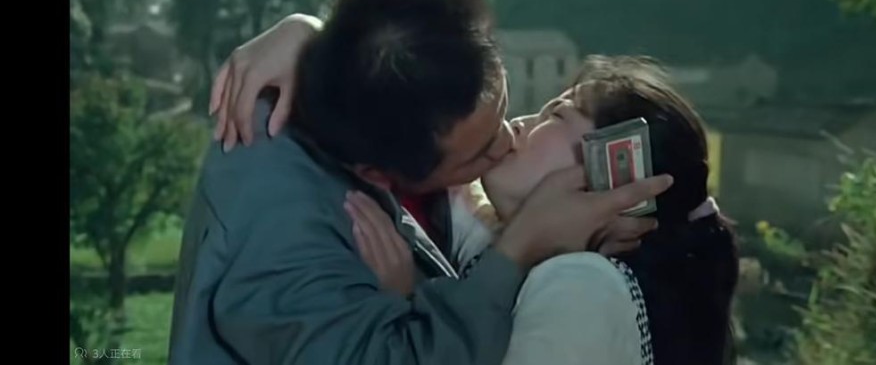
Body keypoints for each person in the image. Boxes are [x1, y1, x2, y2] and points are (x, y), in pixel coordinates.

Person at [169, 0, 671, 365]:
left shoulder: (364, 88)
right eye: (478, 154)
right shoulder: (282, 235)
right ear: (378, 174)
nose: (508, 140)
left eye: (503, 110)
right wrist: (518, 250)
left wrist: (308, 32)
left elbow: (388, 48)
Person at [220, 50, 739, 365]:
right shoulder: (500, 251)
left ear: (614, 179)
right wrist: (306, 36)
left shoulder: (581, 286)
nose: (523, 121)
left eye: (557, 115)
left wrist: (406, 311)